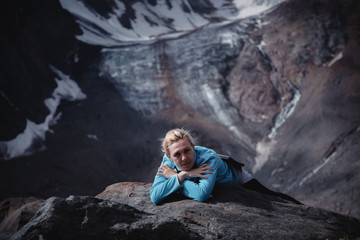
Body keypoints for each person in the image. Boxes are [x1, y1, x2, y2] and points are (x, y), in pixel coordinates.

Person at [150, 128, 301, 205]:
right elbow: (155, 196)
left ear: (194, 147)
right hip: (209, 184)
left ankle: (302, 207)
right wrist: (181, 176)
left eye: (187, 151)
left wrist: (174, 179)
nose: (184, 158)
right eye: (177, 154)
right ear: (169, 156)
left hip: (237, 178)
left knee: (272, 197)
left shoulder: (208, 158)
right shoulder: (167, 164)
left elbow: (201, 194)